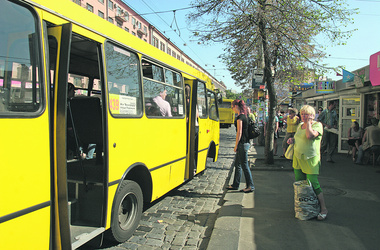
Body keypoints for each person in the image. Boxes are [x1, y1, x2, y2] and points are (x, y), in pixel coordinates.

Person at [287, 105, 327, 220]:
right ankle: (305, 206)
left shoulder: (317, 125)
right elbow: (299, 137)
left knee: (313, 183)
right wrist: (292, 140)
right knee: (300, 184)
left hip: (311, 159)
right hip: (298, 158)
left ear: (313, 115)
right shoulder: (300, 126)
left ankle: (323, 208)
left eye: (307, 114)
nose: (304, 116)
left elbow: (309, 136)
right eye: (303, 114)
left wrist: (309, 123)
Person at [226, 100, 255, 193]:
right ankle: (235, 184)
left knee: (244, 165)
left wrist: (236, 145)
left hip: (242, 144)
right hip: (245, 143)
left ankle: (250, 186)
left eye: (232, 107)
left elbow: (239, 132)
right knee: (237, 165)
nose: (232, 109)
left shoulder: (240, 117)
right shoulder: (245, 116)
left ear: (236, 106)